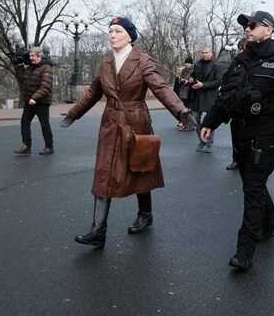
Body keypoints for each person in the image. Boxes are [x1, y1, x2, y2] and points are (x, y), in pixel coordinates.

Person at [61, 16, 196, 248]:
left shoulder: (142, 60)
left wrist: (181, 111)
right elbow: (93, 92)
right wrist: (74, 113)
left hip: (135, 122)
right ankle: (98, 230)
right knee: (103, 173)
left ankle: (145, 214)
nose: (112, 35)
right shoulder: (105, 64)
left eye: (118, 31)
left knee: (139, 169)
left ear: (130, 36)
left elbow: (161, 87)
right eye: (110, 31)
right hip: (110, 123)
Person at [200, 10, 274, 271]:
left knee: (253, 188)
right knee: (252, 182)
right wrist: (210, 123)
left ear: (269, 30)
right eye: (246, 25)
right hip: (240, 131)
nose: (247, 28)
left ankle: (245, 250)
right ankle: (268, 225)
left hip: (265, 131)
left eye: (253, 24)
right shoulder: (240, 61)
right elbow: (226, 96)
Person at [13, 46, 54, 156]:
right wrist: (18, 65)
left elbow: (45, 87)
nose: (31, 58)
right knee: (24, 122)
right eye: (30, 56)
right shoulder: (30, 68)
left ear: (39, 56)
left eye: (33, 56)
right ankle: (26, 146)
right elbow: (22, 78)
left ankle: (49, 147)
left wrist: (34, 98)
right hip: (30, 101)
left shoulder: (46, 68)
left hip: (42, 101)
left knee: (44, 124)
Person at [190, 47, 220, 153]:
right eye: (202, 52)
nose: (204, 54)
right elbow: (192, 79)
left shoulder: (216, 66)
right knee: (195, 121)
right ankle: (202, 141)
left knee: (209, 121)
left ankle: (208, 143)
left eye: (206, 52)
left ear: (211, 54)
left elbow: (218, 82)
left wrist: (203, 85)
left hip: (210, 97)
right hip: (197, 97)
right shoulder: (196, 65)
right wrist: (189, 81)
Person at [226, 38, 249, 171]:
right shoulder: (235, 63)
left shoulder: (256, 64)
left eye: (244, 47)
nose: (242, 50)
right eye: (240, 48)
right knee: (235, 134)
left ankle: (247, 160)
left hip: (250, 106)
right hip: (236, 105)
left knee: (248, 136)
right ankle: (236, 159)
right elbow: (227, 80)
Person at [173, 56, 195, 130]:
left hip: (190, 92)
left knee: (188, 108)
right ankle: (182, 122)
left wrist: (187, 81)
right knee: (182, 107)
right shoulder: (183, 70)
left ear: (191, 64)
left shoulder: (194, 70)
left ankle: (189, 124)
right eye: (186, 63)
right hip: (182, 91)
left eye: (188, 63)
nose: (187, 64)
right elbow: (180, 79)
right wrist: (180, 79)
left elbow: (193, 80)